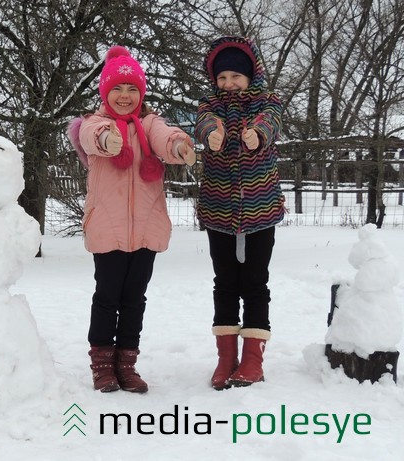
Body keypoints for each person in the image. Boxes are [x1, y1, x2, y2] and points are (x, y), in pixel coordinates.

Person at [69, 46, 195, 393]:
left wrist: (180, 146)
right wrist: (109, 138)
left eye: (132, 89)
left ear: (141, 93)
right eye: (118, 89)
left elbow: (166, 138)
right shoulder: (95, 123)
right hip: (108, 227)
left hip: (146, 226)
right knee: (107, 297)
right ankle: (102, 366)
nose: (125, 96)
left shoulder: (150, 124)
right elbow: (91, 137)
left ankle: (127, 365)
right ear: (105, 92)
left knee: (135, 299)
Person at [194, 36, 285, 390]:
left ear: (250, 75)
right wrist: (210, 132)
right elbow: (202, 124)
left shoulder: (268, 103)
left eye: (235, 75)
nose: (229, 83)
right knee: (225, 283)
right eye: (222, 77)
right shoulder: (209, 106)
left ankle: (252, 360)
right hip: (218, 211)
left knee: (256, 283)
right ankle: (225, 358)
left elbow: (271, 122)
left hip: (261, 210)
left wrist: (258, 134)